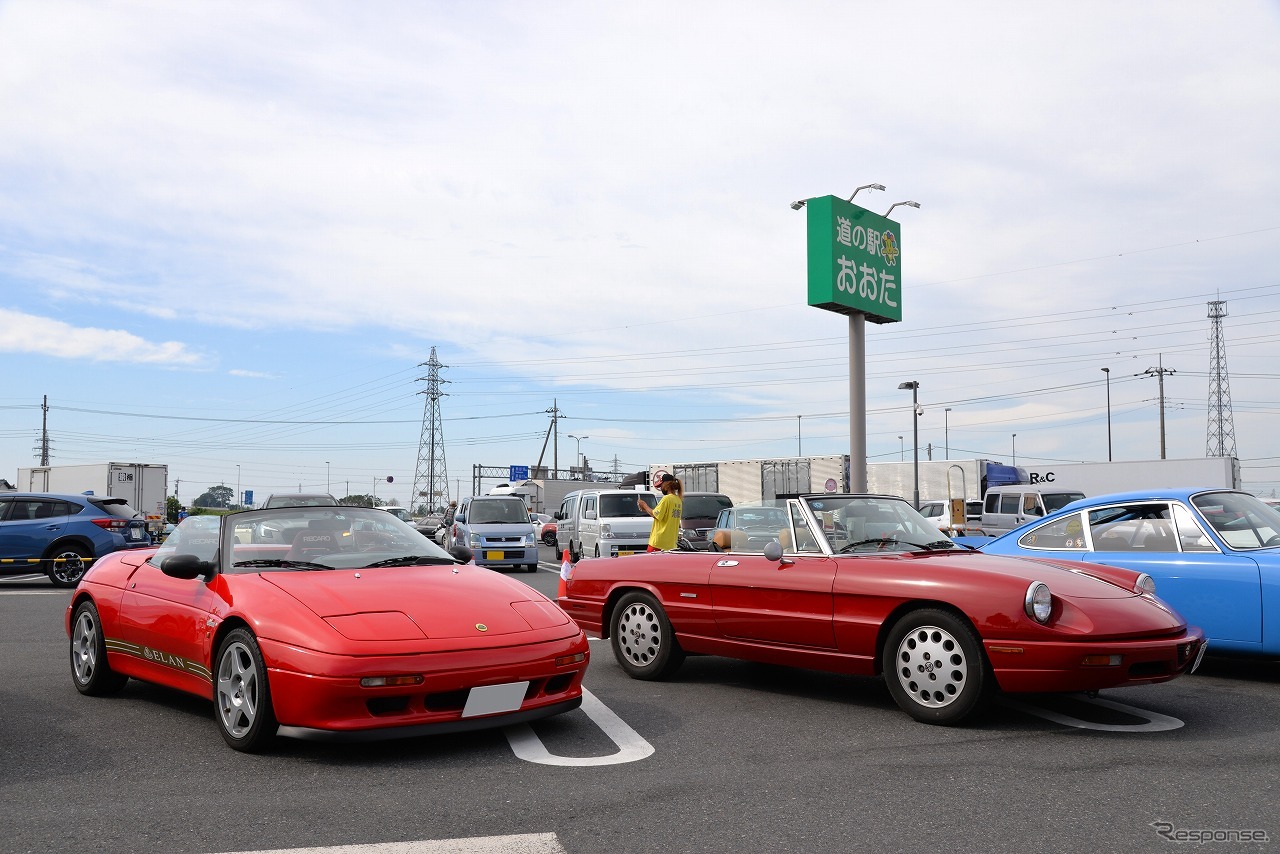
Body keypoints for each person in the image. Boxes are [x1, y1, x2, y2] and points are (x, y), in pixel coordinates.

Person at [637, 474, 683, 552]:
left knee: (650, 564)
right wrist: (646, 510)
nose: (661, 488)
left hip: (659, 543)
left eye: (661, 485)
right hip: (671, 544)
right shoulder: (678, 500)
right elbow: (664, 515)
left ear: (667, 484)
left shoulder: (666, 499)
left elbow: (655, 514)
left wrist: (644, 505)